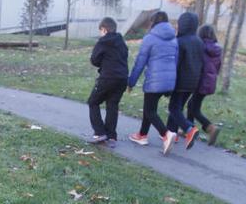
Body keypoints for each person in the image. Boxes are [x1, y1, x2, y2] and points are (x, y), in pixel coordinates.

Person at [127, 11, 178, 156]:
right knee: (150, 108)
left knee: (150, 111)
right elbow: (176, 61)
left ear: (153, 22)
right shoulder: (174, 39)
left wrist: (131, 82)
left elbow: (140, 62)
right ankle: (142, 135)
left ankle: (166, 134)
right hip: (170, 81)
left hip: (154, 81)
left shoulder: (150, 38)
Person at [87, 17, 128, 146]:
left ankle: (99, 132)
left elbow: (94, 59)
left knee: (93, 102)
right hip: (122, 78)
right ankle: (111, 135)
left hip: (108, 77)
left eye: (101, 30)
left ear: (104, 29)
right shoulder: (121, 41)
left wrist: (102, 63)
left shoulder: (103, 41)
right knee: (112, 105)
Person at [166, 12, 205, 150]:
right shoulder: (199, 42)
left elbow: (175, 64)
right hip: (193, 81)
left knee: (173, 108)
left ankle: (189, 129)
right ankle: (171, 135)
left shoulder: (180, 42)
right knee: (178, 108)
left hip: (180, 81)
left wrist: (169, 83)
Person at [187, 24, 223, 146]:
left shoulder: (200, 47)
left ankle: (210, 127)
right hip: (210, 82)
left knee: (194, 108)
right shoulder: (217, 49)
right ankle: (189, 128)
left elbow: (197, 63)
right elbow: (218, 67)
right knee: (192, 104)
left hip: (200, 81)